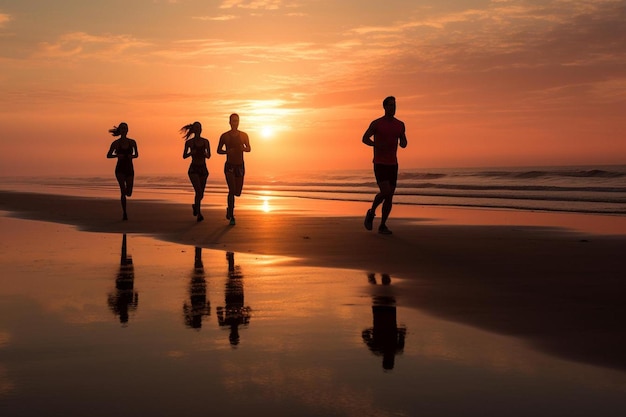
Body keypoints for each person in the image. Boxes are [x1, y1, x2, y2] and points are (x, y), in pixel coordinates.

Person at [362, 96, 408, 235]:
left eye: (394, 105)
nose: (393, 108)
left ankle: (382, 225)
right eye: (390, 105)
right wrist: (376, 144)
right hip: (380, 163)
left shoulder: (400, 124)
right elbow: (364, 138)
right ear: (385, 107)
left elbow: (403, 141)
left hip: (393, 164)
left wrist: (403, 142)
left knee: (389, 196)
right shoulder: (377, 123)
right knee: (385, 191)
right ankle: (371, 212)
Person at [217, 113, 251, 225]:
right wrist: (227, 152)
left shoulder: (244, 135)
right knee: (231, 190)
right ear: (229, 122)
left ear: (239, 122)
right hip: (229, 166)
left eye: (237, 121)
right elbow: (218, 150)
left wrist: (244, 148)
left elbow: (249, 148)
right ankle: (231, 215)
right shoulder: (225, 136)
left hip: (240, 166)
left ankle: (229, 210)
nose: (235, 123)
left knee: (237, 192)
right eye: (233, 121)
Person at [106, 122, 139, 220]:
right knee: (122, 191)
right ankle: (124, 213)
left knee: (129, 193)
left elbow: (137, 154)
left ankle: (125, 196)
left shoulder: (132, 142)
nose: (124, 130)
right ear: (120, 131)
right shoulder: (116, 143)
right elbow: (108, 155)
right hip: (120, 169)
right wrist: (117, 155)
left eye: (125, 128)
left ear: (128, 130)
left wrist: (132, 156)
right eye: (122, 128)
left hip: (129, 168)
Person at [181, 121, 211, 222]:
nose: (198, 129)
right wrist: (191, 153)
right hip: (193, 169)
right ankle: (199, 214)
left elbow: (209, 155)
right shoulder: (189, 143)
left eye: (200, 127)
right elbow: (184, 156)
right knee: (198, 191)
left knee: (201, 194)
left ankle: (195, 206)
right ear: (194, 130)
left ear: (201, 129)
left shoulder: (206, 141)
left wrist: (205, 155)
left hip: (203, 169)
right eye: (197, 128)